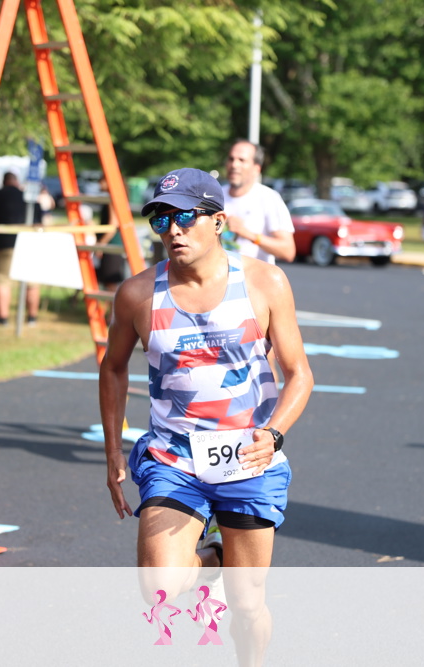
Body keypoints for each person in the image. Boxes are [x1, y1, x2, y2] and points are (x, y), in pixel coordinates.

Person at [100, 168, 313, 665]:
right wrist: (112, 451)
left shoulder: (263, 282)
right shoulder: (137, 294)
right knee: (159, 587)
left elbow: (299, 374)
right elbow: (112, 368)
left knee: (247, 605)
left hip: (248, 458)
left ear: (218, 221)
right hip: (173, 458)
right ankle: (213, 557)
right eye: (160, 220)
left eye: (184, 217)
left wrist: (274, 434)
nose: (172, 230)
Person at [0, 172, 46, 326]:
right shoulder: (30, 199)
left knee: (2, 281)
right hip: (29, 246)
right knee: (32, 283)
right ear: (17, 182)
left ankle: (3, 318)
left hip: (3, 245)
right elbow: (39, 225)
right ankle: (32, 318)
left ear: (3, 182)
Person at [222, 140, 296, 264]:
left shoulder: (268, 198)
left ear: (256, 169)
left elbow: (288, 251)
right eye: (231, 159)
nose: (234, 165)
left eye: (242, 160)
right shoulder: (215, 196)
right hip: (219, 274)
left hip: (254, 275)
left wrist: (247, 234)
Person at [94, 174, 127, 292]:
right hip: (114, 244)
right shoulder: (118, 196)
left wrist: (101, 244)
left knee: (110, 283)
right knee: (108, 282)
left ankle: (115, 304)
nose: (99, 183)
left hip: (112, 244)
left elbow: (113, 224)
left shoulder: (112, 198)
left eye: (102, 180)